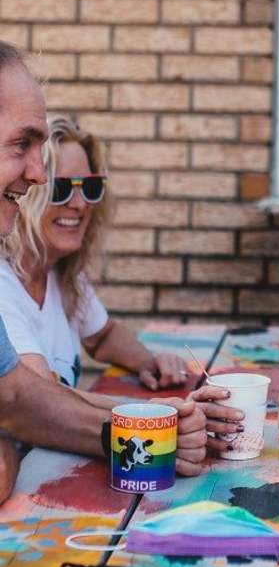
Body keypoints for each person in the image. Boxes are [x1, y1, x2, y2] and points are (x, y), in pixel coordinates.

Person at [0, 42, 237, 502]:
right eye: (20, 144)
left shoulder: (65, 277)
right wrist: (150, 421)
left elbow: (16, 400)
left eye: (89, 187)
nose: (37, 176)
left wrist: (149, 421)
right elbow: (21, 407)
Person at [0, 115, 189, 396]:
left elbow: (102, 336)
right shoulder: (4, 287)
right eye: (60, 189)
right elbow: (43, 402)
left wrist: (149, 362)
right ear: (25, 190)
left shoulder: (60, 273)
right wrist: (155, 417)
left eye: (90, 187)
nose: (80, 204)